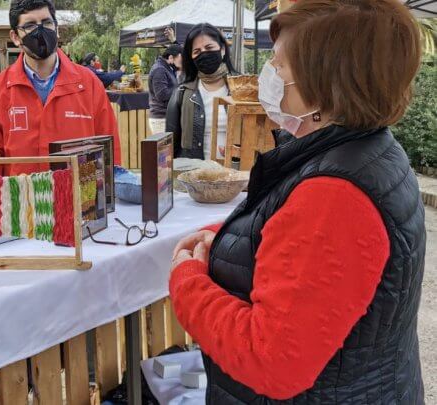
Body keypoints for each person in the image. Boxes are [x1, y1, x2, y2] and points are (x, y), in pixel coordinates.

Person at [169, 0, 425, 402]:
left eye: (280, 64)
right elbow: (301, 251)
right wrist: (230, 243)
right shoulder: (363, 149)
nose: (269, 73)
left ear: (326, 82)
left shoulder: (334, 195)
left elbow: (271, 360)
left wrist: (188, 281)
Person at [0, 0, 121, 176]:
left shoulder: (89, 84)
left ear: (56, 29)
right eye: (30, 25)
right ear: (15, 37)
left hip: (78, 193)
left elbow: (109, 154)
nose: (40, 30)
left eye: (47, 22)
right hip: (20, 193)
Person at [165, 23, 235, 160]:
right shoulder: (182, 93)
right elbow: (170, 144)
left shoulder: (242, 91)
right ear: (191, 58)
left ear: (222, 50)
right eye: (197, 51)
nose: (204, 53)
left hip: (236, 172)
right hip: (193, 172)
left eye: (209, 47)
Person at [148, 44, 182, 134]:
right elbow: (162, 94)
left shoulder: (167, 68)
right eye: (180, 60)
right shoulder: (160, 69)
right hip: (161, 119)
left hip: (167, 117)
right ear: (171, 57)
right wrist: (180, 89)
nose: (181, 63)